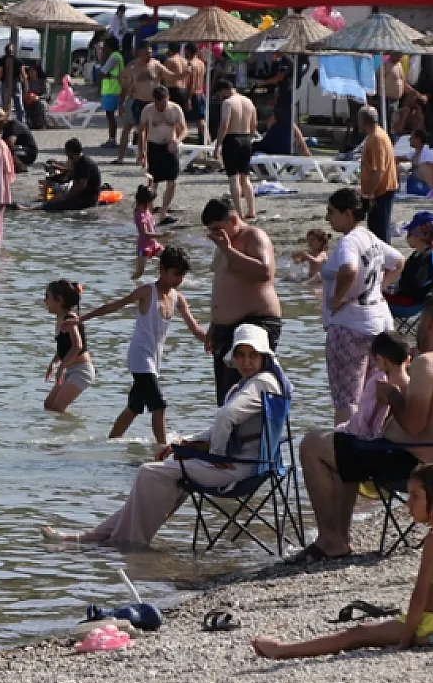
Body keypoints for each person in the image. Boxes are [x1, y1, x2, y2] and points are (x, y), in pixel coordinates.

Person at [41, 324, 290, 548]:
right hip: (253, 466)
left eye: (253, 355)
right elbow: (220, 428)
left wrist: (216, 456)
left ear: (264, 357)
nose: (246, 362)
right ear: (233, 358)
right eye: (241, 355)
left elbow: (225, 418)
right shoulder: (259, 382)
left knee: (150, 473)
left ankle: (125, 543)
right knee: (165, 469)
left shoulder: (260, 383)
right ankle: (94, 536)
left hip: (241, 469)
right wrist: (180, 443)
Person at [291, 296, 433, 563]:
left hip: (414, 464)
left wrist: (393, 396)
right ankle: (339, 538)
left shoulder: (429, 363)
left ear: (430, 322)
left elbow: (413, 426)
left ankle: (331, 539)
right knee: (343, 446)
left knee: (312, 444)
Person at [253, 462, 433, 658]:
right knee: (370, 629)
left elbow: (420, 597)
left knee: (358, 633)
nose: (408, 503)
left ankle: (282, 651)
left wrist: (404, 640)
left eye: (415, 496)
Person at [80, 247, 206, 444]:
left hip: (154, 360)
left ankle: (111, 442)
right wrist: (82, 318)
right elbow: (115, 305)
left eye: (182, 275)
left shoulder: (178, 298)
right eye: (175, 274)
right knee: (159, 405)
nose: (178, 279)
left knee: (135, 407)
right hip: (140, 357)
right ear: (161, 270)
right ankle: (163, 449)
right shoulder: (147, 291)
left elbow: (196, 329)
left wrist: (212, 341)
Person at [320, 188, 406, 425]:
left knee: (346, 399)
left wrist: (337, 300)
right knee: (373, 393)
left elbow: (350, 269)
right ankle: (371, 440)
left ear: (348, 214)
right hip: (378, 323)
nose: (328, 218)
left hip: (350, 326)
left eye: (331, 212)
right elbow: (398, 261)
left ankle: (342, 454)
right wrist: (379, 288)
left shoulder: (349, 241)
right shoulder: (369, 237)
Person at [201, 196, 282, 404]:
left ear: (234, 219)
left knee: (243, 397)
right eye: (211, 230)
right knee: (226, 396)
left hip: (254, 322)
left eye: (218, 228)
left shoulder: (253, 236)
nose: (214, 235)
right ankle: (230, 437)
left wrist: (229, 251)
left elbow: (265, 272)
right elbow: (226, 286)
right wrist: (214, 323)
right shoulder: (225, 243)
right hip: (226, 328)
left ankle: (253, 435)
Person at [40, 280, 95, 413]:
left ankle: (71, 433)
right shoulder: (59, 317)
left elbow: (77, 346)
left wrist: (62, 367)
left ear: (59, 300)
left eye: (47, 297)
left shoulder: (70, 319)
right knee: (49, 405)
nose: (44, 301)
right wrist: (54, 363)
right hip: (70, 369)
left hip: (82, 371)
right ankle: (60, 430)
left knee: (58, 407)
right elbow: (64, 347)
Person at [136, 85, 186, 221]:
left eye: (163, 103)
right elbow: (141, 130)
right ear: (154, 101)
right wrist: (142, 151)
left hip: (170, 146)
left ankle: (164, 211)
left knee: (172, 181)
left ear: (168, 98)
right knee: (153, 181)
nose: (161, 106)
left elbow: (184, 129)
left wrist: (177, 140)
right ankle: (149, 210)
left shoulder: (175, 109)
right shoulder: (148, 110)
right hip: (154, 146)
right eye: (159, 104)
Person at [214, 78, 258, 220]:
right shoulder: (249, 102)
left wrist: (217, 145)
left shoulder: (228, 103)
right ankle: (251, 210)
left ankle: (239, 212)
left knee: (233, 178)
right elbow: (254, 124)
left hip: (232, 139)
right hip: (246, 139)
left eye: (220, 94)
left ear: (224, 90)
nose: (220, 97)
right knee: (245, 177)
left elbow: (225, 124)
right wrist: (249, 139)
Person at [115, 44, 161, 164]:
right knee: (127, 128)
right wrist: (121, 103)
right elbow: (122, 82)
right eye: (147, 53)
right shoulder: (132, 66)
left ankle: (142, 156)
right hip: (134, 100)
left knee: (146, 130)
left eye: (150, 52)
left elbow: (166, 77)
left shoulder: (155, 64)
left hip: (150, 102)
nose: (149, 55)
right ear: (140, 53)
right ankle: (120, 157)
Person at [358, 107, 398, 241]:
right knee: (376, 229)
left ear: (363, 121)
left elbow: (378, 170)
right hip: (381, 189)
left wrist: (368, 194)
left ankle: (383, 260)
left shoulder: (376, 138)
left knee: (379, 232)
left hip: (381, 190)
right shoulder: (378, 134)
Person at [387, 211, 433, 308]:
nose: (407, 237)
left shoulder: (426, 257)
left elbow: (416, 284)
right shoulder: (423, 254)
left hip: (412, 302)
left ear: (417, 235)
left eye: (409, 233)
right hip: (415, 299)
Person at [39, 139, 102, 213]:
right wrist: (52, 179)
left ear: (69, 152)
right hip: (80, 195)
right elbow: (67, 177)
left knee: (53, 207)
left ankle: (34, 209)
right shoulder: (76, 161)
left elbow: (81, 186)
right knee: (52, 203)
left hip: (88, 199)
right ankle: (42, 205)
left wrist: (64, 197)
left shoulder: (85, 164)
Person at [97, 36, 125, 146]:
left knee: (110, 116)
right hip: (114, 88)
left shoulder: (114, 57)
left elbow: (103, 71)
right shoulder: (118, 56)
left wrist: (103, 58)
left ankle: (112, 139)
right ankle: (112, 138)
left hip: (111, 89)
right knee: (111, 115)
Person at [132, 184, 162, 280]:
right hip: (144, 247)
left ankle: (164, 278)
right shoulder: (139, 215)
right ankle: (132, 286)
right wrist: (162, 235)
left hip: (154, 244)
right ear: (146, 202)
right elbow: (144, 234)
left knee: (168, 258)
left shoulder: (146, 210)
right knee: (139, 273)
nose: (152, 203)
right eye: (151, 201)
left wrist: (150, 179)